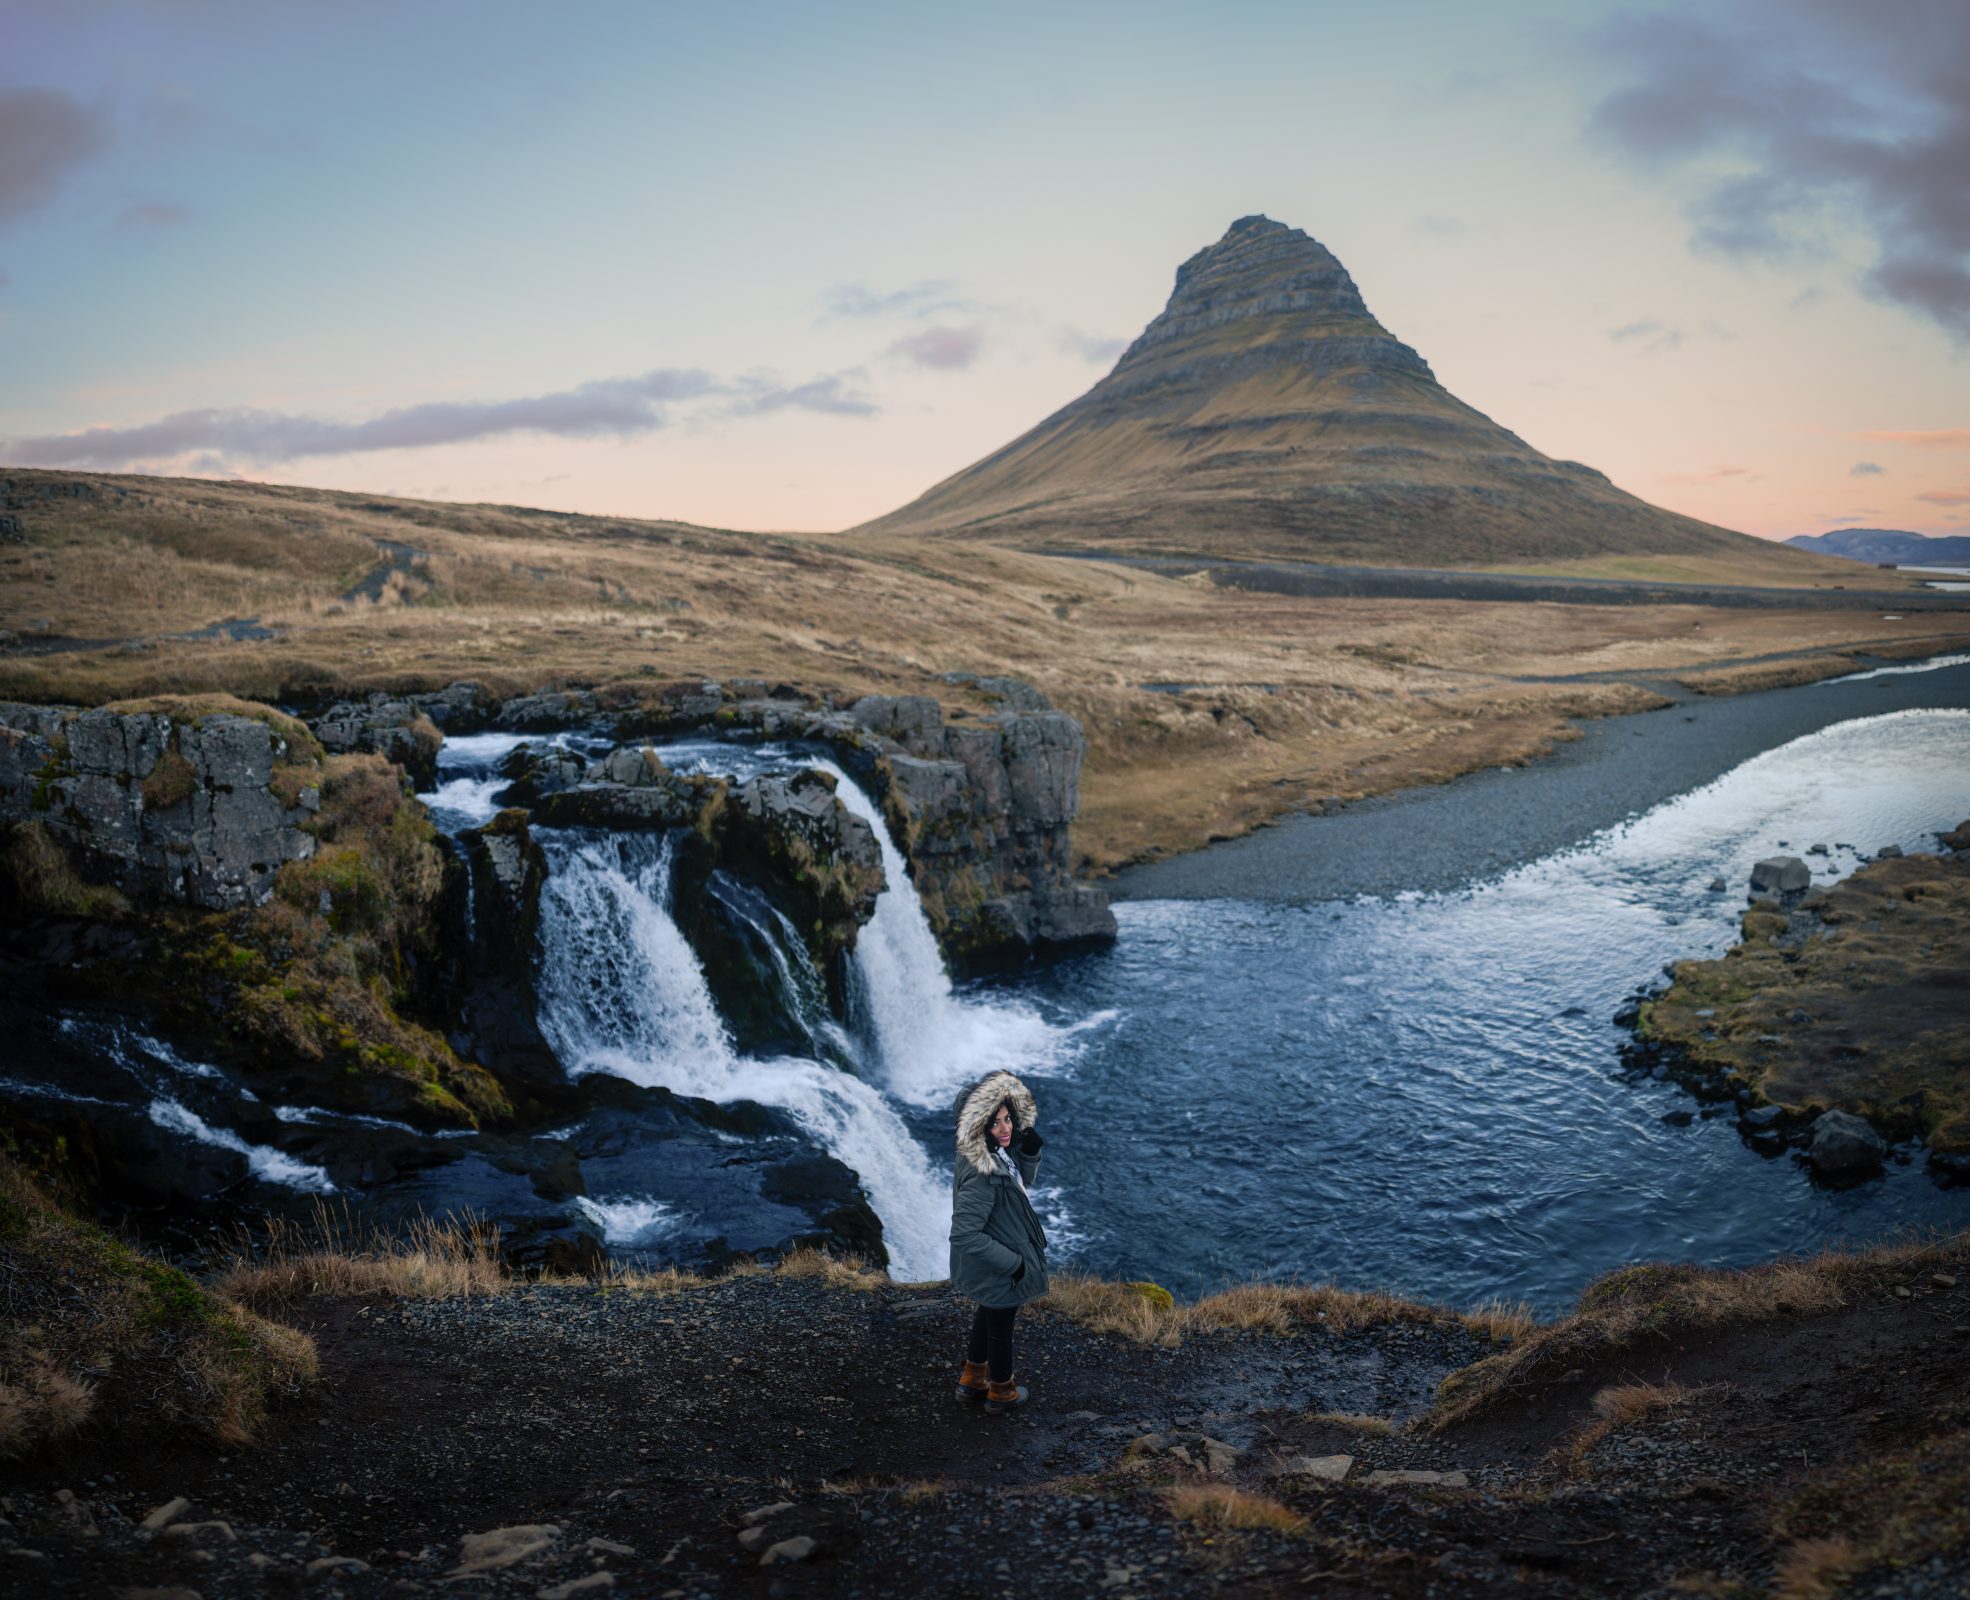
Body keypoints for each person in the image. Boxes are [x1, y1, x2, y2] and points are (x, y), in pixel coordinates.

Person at [949, 1070, 1049, 1414]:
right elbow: (964, 1234)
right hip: (999, 1260)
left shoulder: (992, 1153)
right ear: (979, 1126)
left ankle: (972, 1378)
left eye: (1008, 1118)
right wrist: (1015, 1264)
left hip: (996, 1255)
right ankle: (1001, 1391)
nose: (1006, 1129)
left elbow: (1016, 1187)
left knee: (990, 1310)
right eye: (995, 1123)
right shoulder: (982, 1171)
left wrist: (1030, 1156)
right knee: (1001, 1325)